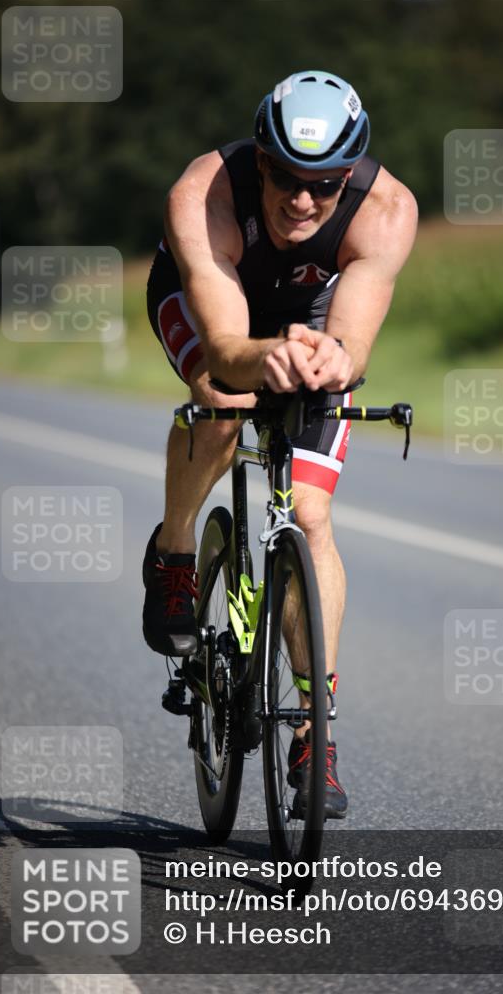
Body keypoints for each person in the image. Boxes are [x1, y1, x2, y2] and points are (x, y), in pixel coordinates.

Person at [143, 70, 417, 818]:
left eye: (324, 185)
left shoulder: (386, 210)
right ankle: (173, 552)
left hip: (310, 322)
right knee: (224, 401)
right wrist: (259, 357)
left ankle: (313, 736)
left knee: (314, 518)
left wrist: (333, 359)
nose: (302, 200)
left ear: (351, 175)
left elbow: (353, 340)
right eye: (285, 177)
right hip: (211, 307)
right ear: (259, 159)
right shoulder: (205, 195)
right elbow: (229, 344)